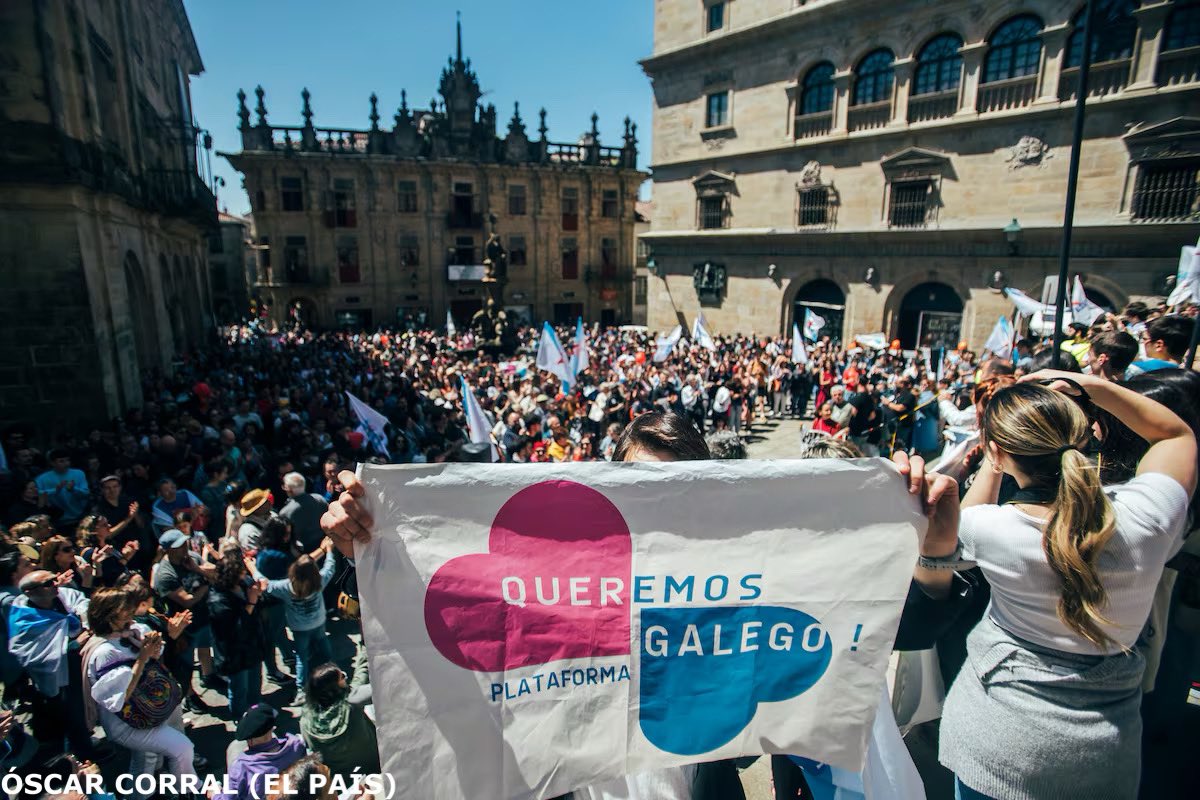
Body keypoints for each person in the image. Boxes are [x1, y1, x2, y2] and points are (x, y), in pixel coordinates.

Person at [939, 372, 1197, 800]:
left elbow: (957, 536)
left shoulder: (988, 529)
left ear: (999, 452)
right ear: (1085, 435)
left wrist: (991, 461)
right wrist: (1091, 385)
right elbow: (1175, 435)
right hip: (1101, 758)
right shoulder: (1148, 516)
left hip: (994, 746)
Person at [85, 587, 194, 799]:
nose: (130, 610)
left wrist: (153, 649)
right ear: (109, 615)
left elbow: (151, 661)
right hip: (128, 722)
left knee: (151, 757)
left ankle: (161, 790)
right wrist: (143, 657)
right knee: (165, 753)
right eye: (124, 608)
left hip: (149, 710)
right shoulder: (104, 652)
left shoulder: (131, 633)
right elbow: (119, 698)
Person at [153, 528, 221, 711]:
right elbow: (187, 600)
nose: (184, 548)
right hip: (184, 626)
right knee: (186, 663)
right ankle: (189, 695)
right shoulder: (165, 574)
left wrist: (197, 569)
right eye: (179, 546)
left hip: (203, 616)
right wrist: (206, 584)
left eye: (184, 543)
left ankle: (208, 675)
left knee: (205, 647)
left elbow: (216, 571)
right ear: (169, 550)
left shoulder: (191, 558)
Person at [262, 540, 337, 699]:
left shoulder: (286, 587)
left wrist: (252, 568)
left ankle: (301, 689)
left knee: (301, 657)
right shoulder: (319, 581)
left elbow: (266, 585)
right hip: (318, 622)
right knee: (323, 645)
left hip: (299, 628)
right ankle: (330, 671)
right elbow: (330, 567)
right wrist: (329, 551)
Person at [208, 550, 268, 720]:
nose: (244, 574)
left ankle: (257, 714)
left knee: (255, 683)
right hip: (234, 653)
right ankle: (240, 719)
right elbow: (233, 629)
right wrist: (251, 602)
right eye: (241, 571)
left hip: (252, 646)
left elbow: (259, 599)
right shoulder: (217, 599)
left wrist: (258, 594)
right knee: (239, 689)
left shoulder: (243, 584)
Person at [300, 645, 378, 775]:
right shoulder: (350, 703)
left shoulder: (306, 719)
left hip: (341, 774)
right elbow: (378, 687)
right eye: (342, 677)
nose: (345, 676)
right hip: (371, 764)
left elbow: (312, 748)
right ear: (334, 687)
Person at [217, 704, 306, 800]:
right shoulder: (297, 745)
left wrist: (215, 794)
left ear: (249, 739)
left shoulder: (242, 767)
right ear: (272, 728)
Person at [35, 450, 90, 530]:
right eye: (61, 461)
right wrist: (55, 490)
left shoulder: (79, 473)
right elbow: (37, 495)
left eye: (67, 460)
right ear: (52, 463)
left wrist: (73, 489)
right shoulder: (42, 478)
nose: (66, 463)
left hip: (79, 516)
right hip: (56, 519)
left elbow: (86, 493)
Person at [279, 473, 329, 553]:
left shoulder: (285, 513)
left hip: (306, 551)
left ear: (289, 490)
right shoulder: (319, 499)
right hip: (327, 543)